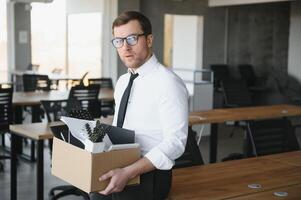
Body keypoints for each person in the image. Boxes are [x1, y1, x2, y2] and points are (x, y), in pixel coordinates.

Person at [90, 11, 189, 200]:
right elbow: (123, 126)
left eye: (132, 38)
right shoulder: (122, 82)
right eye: (118, 41)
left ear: (149, 40)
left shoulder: (168, 82)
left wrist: (128, 172)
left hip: (148, 177)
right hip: (118, 165)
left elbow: (176, 143)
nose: (125, 47)